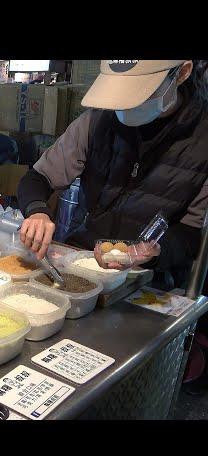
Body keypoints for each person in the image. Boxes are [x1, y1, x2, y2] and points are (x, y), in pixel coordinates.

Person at [17, 60, 208, 289]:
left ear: (182, 73)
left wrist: (155, 251)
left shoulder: (201, 143)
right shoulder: (97, 121)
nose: (126, 105)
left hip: (148, 281)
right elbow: (37, 178)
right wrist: (37, 211)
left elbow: (191, 234)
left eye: (139, 92)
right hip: (83, 260)